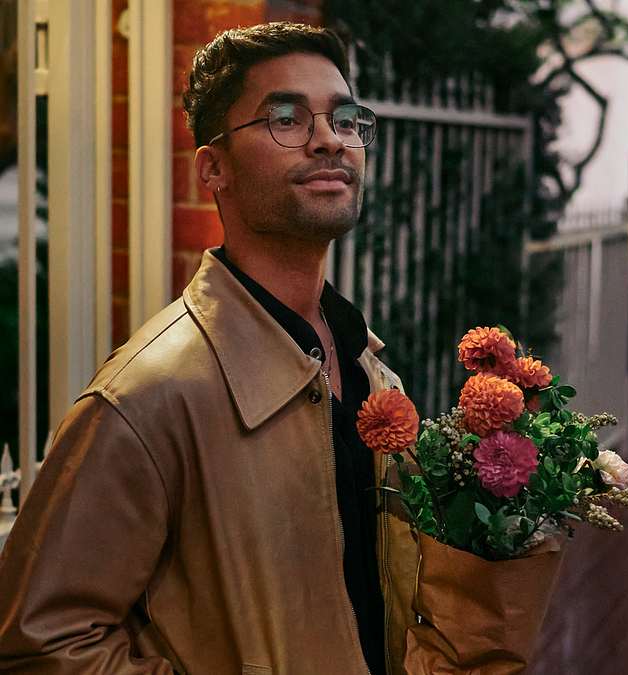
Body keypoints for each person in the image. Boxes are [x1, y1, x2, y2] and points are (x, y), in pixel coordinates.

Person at [0, 22, 418, 674]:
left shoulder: (369, 369)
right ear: (212, 169)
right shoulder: (146, 400)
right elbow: (40, 644)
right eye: (285, 118)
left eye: (344, 117)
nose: (330, 139)